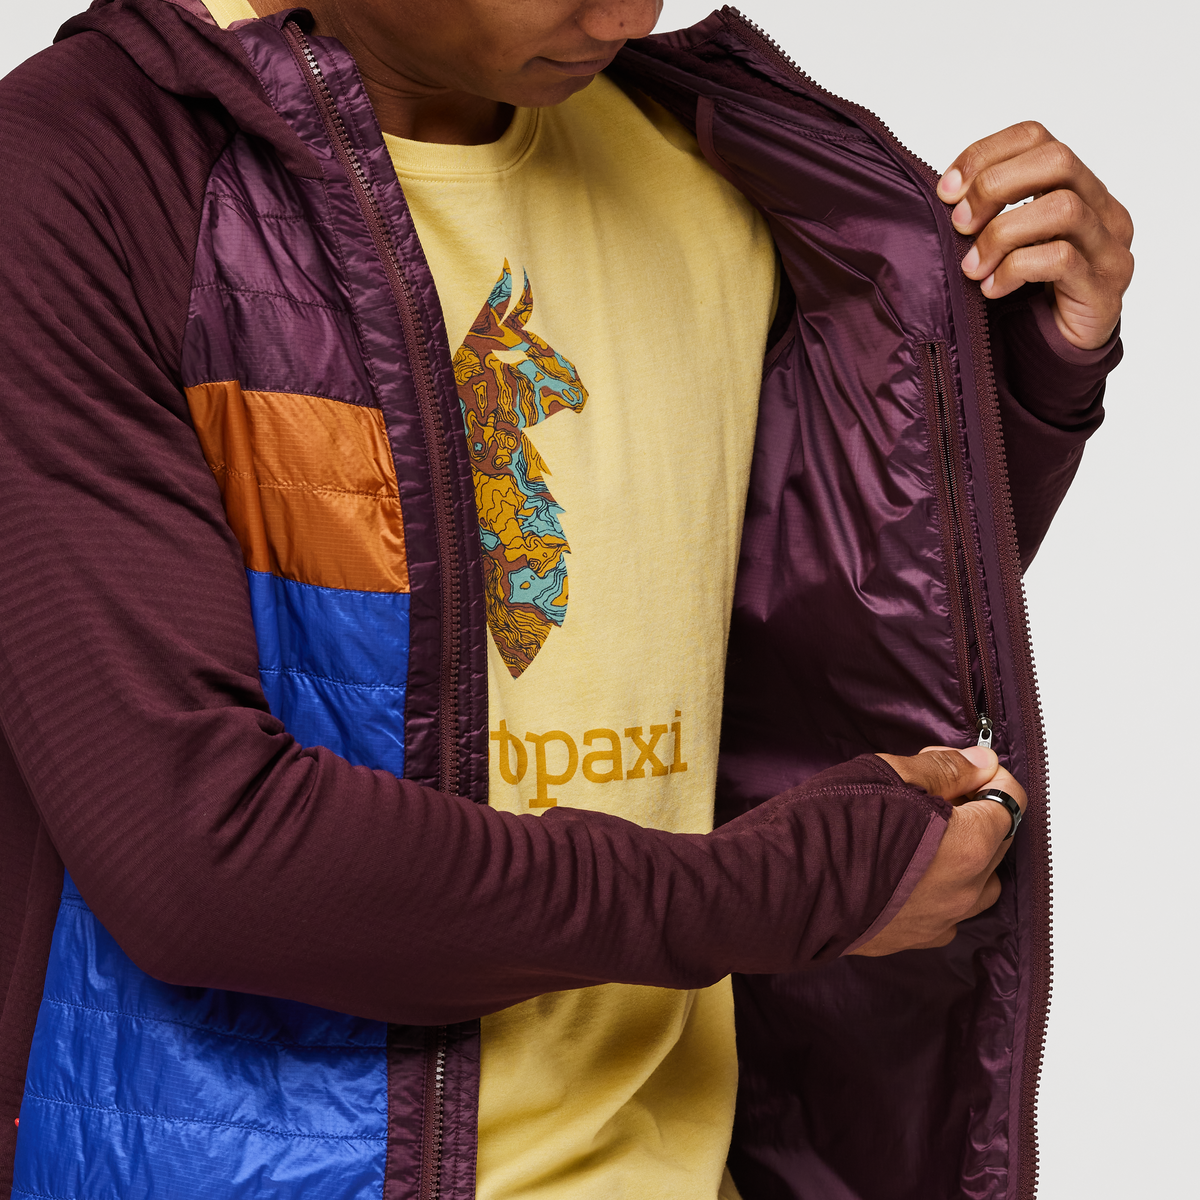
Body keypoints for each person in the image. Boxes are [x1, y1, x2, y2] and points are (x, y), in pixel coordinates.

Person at [0, 0, 1130, 1197]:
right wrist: (787, 893)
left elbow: (806, 654)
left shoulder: (710, 165)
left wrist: (1020, 383)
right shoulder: (84, 174)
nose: (630, 11)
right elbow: (201, 863)